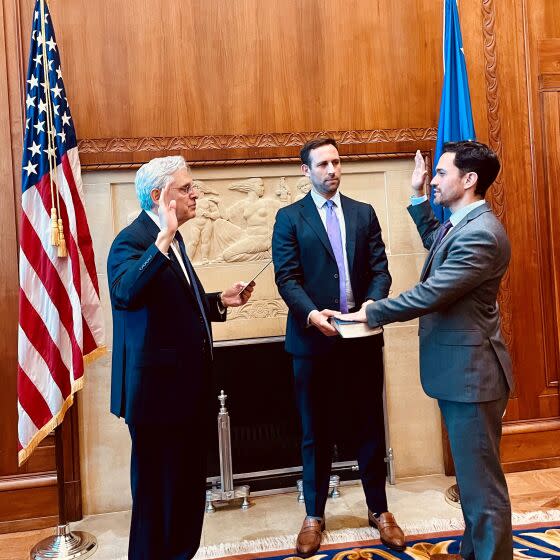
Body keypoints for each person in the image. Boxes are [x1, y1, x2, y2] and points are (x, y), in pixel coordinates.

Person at [339, 141, 513, 560]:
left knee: (483, 490)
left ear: (468, 180)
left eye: (440, 173)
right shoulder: (461, 225)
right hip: (461, 373)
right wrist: (418, 196)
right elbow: (437, 243)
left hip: (473, 375)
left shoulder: (482, 235)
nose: (433, 179)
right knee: (474, 487)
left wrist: (371, 312)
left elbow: (433, 292)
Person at [107, 156, 254, 560]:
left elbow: (175, 305)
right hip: (156, 401)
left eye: (193, 187)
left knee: (187, 496)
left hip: (187, 397)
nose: (196, 193)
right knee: (158, 503)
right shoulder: (133, 241)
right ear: (158, 197)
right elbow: (125, 294)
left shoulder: (176, 241)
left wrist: (219, 302)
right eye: (186, 188)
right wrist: (162, 240)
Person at [271, 138, 405, 557]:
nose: (332, 170)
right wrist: (312, 315)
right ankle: (314, 516)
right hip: (312, 341)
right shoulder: (289, 218)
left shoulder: (363, 214)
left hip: (361, 338)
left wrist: (372, 303)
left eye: (337, 162)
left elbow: (381, 269)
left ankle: (379, 511)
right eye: (323, 164)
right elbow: (287, 278)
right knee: (315, 432)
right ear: (305, 171)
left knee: (369, 425)